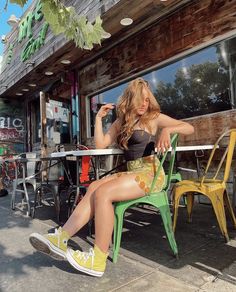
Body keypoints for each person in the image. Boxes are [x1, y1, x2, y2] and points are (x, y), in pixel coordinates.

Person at [29, 77, 194, 277]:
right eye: (140, 99)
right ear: (130, 99)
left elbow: (188, 127)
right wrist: (98, 118)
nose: (144, 104)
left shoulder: (153, 118)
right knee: (94, 186)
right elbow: (101, 144)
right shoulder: (121, 122)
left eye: (147, 100)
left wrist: (168, 129)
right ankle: (61, 238)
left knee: (104, 193)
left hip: (150, 174)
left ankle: (98, 259)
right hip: (131, 172)